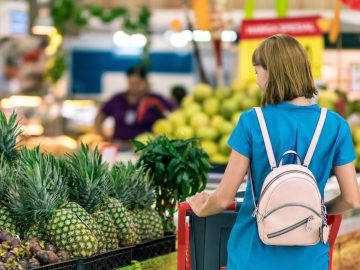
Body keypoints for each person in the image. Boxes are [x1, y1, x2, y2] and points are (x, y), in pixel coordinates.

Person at [188, 34, 360, 270]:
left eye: (257, 71)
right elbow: (352, 198)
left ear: (272, 73)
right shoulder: (335, 125)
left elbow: (224, 198)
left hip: (252, 254)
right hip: (310, 258)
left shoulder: (252, 122)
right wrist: (316, 210)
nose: (257, 80)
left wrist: (202, 207)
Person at [94, 66, 174, 141]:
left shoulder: (155, 99)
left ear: (145, 82)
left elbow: (175, 112)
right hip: (120, 146)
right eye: (131, 83)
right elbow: (99, 117)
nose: (134, 87)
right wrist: (104, 137)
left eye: (137, 83)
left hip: (148, 148)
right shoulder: (117, 99)